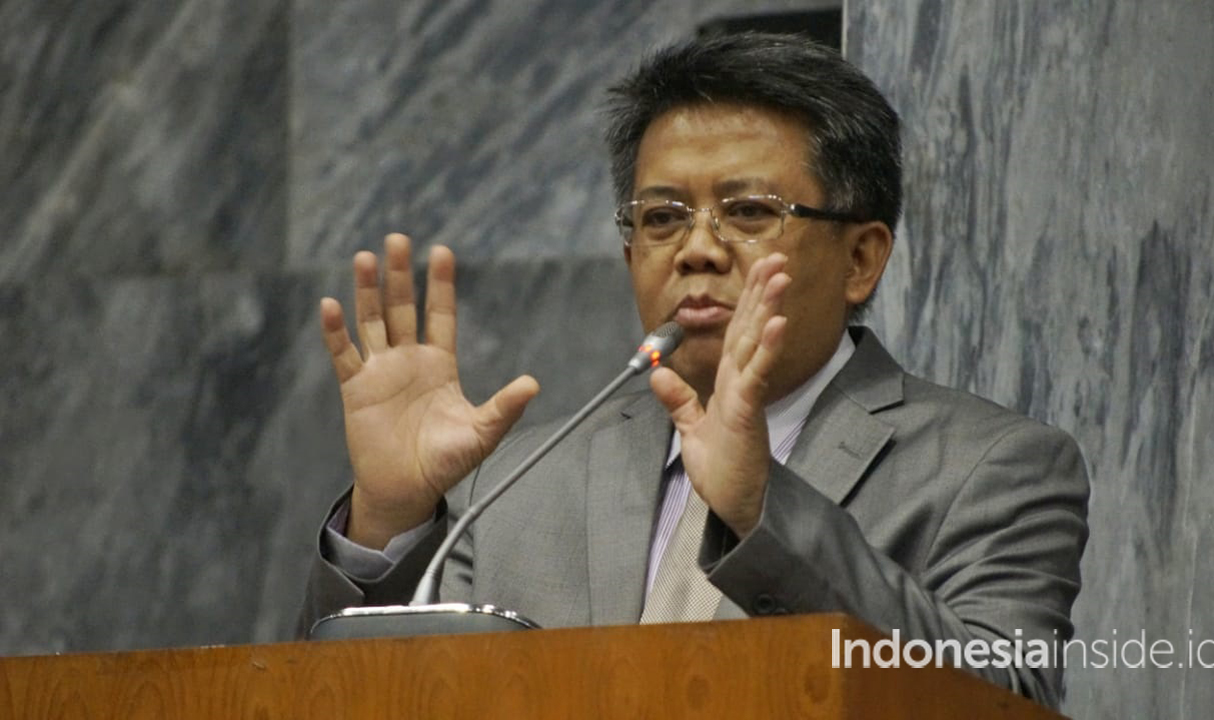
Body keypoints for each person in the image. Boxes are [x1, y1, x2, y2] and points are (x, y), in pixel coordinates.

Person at [298, 33, 1089, 709]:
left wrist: (760, 507)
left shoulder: (991, 469)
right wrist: (390, 519)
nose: (697, 249)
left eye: (749, 212)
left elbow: (1003, 697)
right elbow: (374, 699)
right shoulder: (514, 485)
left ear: (861, 258)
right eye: (663, 217)